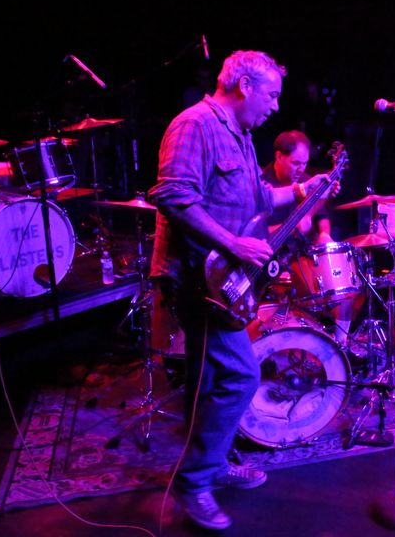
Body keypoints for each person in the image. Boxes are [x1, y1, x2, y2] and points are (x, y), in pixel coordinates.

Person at [147, 50, 337, 530]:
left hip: (221, 277)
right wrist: (232, 243)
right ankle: (194, 483)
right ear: (244, 86)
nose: (275, 106)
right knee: (239, 376)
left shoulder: (242, 136)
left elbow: (258, 197)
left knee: (211, 378)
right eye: (271, 95)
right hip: (196, 276)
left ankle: (214, 464)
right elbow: (172, 196)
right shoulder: (194, 125)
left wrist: (303, 190)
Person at [261, 129, 360, 343]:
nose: (301, 169)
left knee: (344, 289)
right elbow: (256, 232)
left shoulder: (307, 180)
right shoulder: (261, 185)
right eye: (295, 163)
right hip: (269, 264)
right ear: (278, 156)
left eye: (305, 163)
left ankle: (339, 346)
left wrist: (324, 234)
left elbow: (321, 215)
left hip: (301, 258)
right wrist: (291, 227)